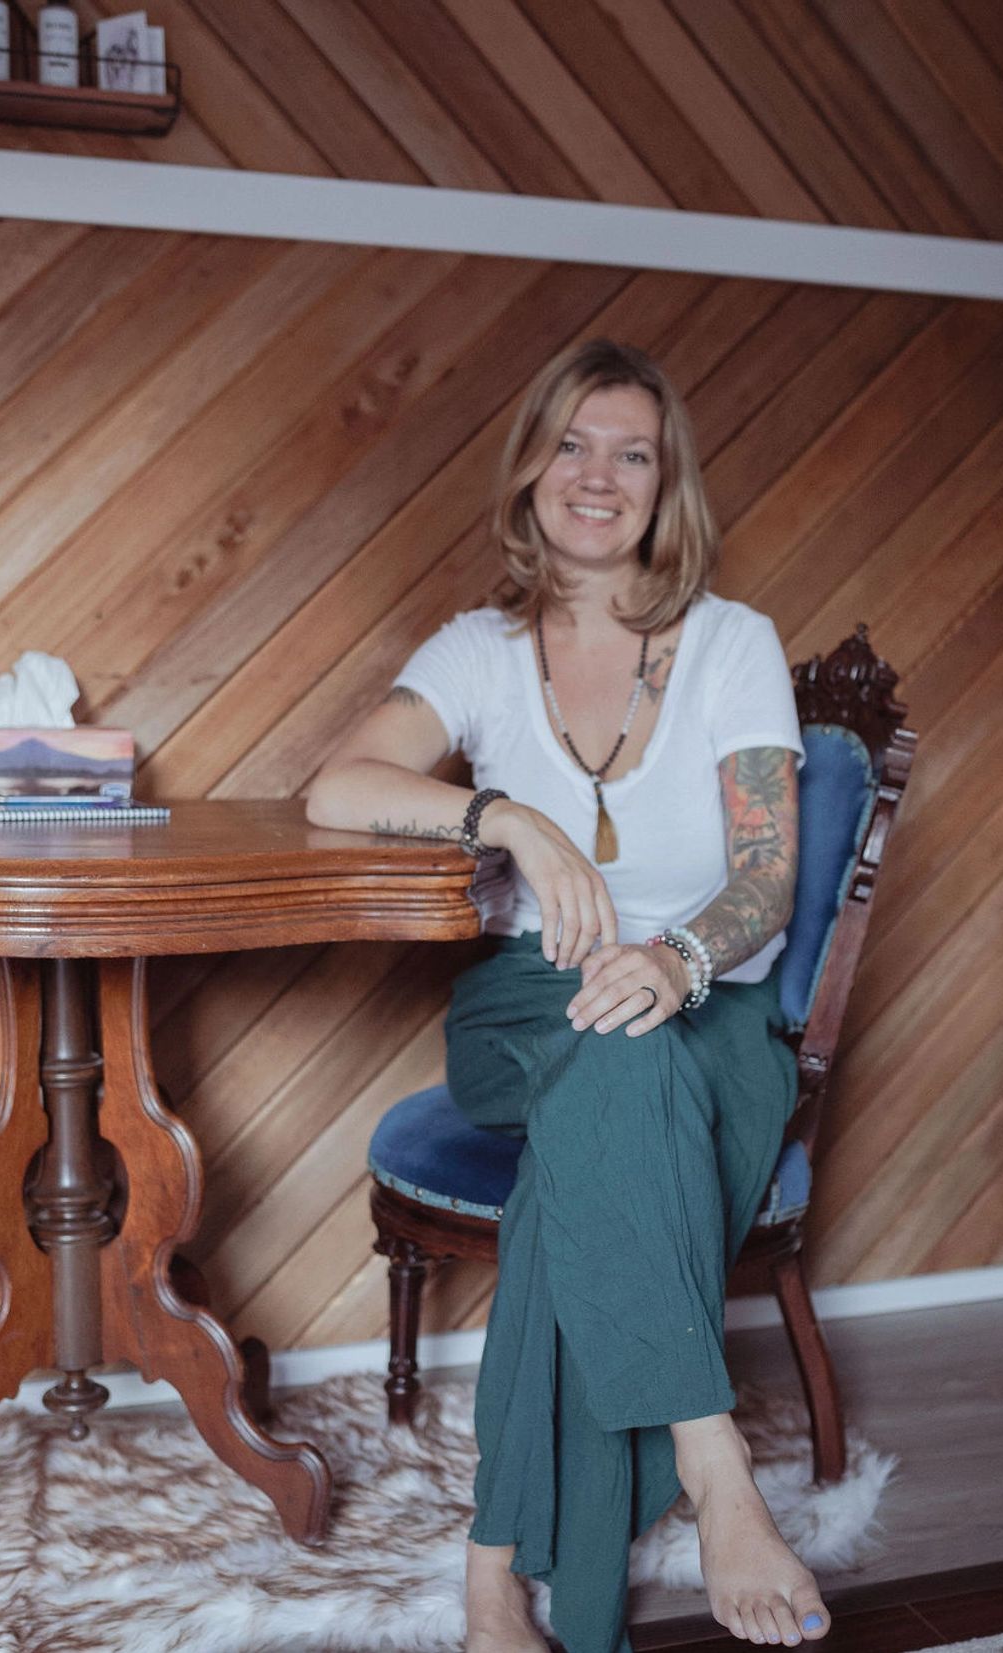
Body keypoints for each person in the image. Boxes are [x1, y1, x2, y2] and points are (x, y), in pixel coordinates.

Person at [307, 338, 831, 1653]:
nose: (599, 476)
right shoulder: (480, 651)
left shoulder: (732, 643)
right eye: (573, 445)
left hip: (711, 1013)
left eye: (632, 453)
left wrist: (673, 961)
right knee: (608, 1048)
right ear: (531, 467)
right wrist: (514, 822)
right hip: (522, 1008)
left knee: (594, 1135)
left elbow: (767, 881)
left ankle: (494, 1579)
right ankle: (714, 1461)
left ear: (667, 484)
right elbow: (339, 785)